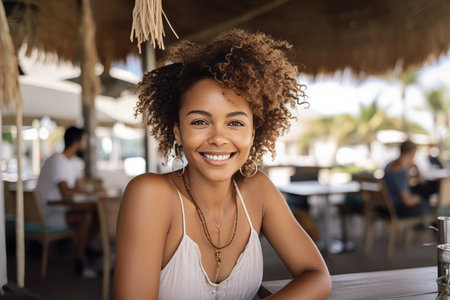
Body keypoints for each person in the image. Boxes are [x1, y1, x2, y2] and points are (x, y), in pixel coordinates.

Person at [114, 29, 331, 299]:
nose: (218, 138)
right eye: (200, 122)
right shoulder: (150, 194)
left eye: (235, 123)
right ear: (179, 132)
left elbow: (318, 275)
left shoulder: (258, 190)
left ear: (252, 134)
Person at [36, 126, 102, 277]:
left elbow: (77, 188)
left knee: (97, 214)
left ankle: (84, 249)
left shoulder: (74, 163)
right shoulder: (56, 160)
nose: (85, 146)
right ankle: (80, 263)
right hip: (48, 213)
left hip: (62, 210)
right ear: (77, 142)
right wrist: (93, 192)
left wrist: (91, 191)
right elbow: (65, 192)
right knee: (85, 217)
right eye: (84, 141)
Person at [383, 140, 435, 218]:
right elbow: (408, 202)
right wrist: (420, 198)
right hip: (396, 209)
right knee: (429, 192)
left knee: (424, 187)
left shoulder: (389, 165)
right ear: (412, 153)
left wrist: (416, 169)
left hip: (386, 206)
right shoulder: (400, 172)